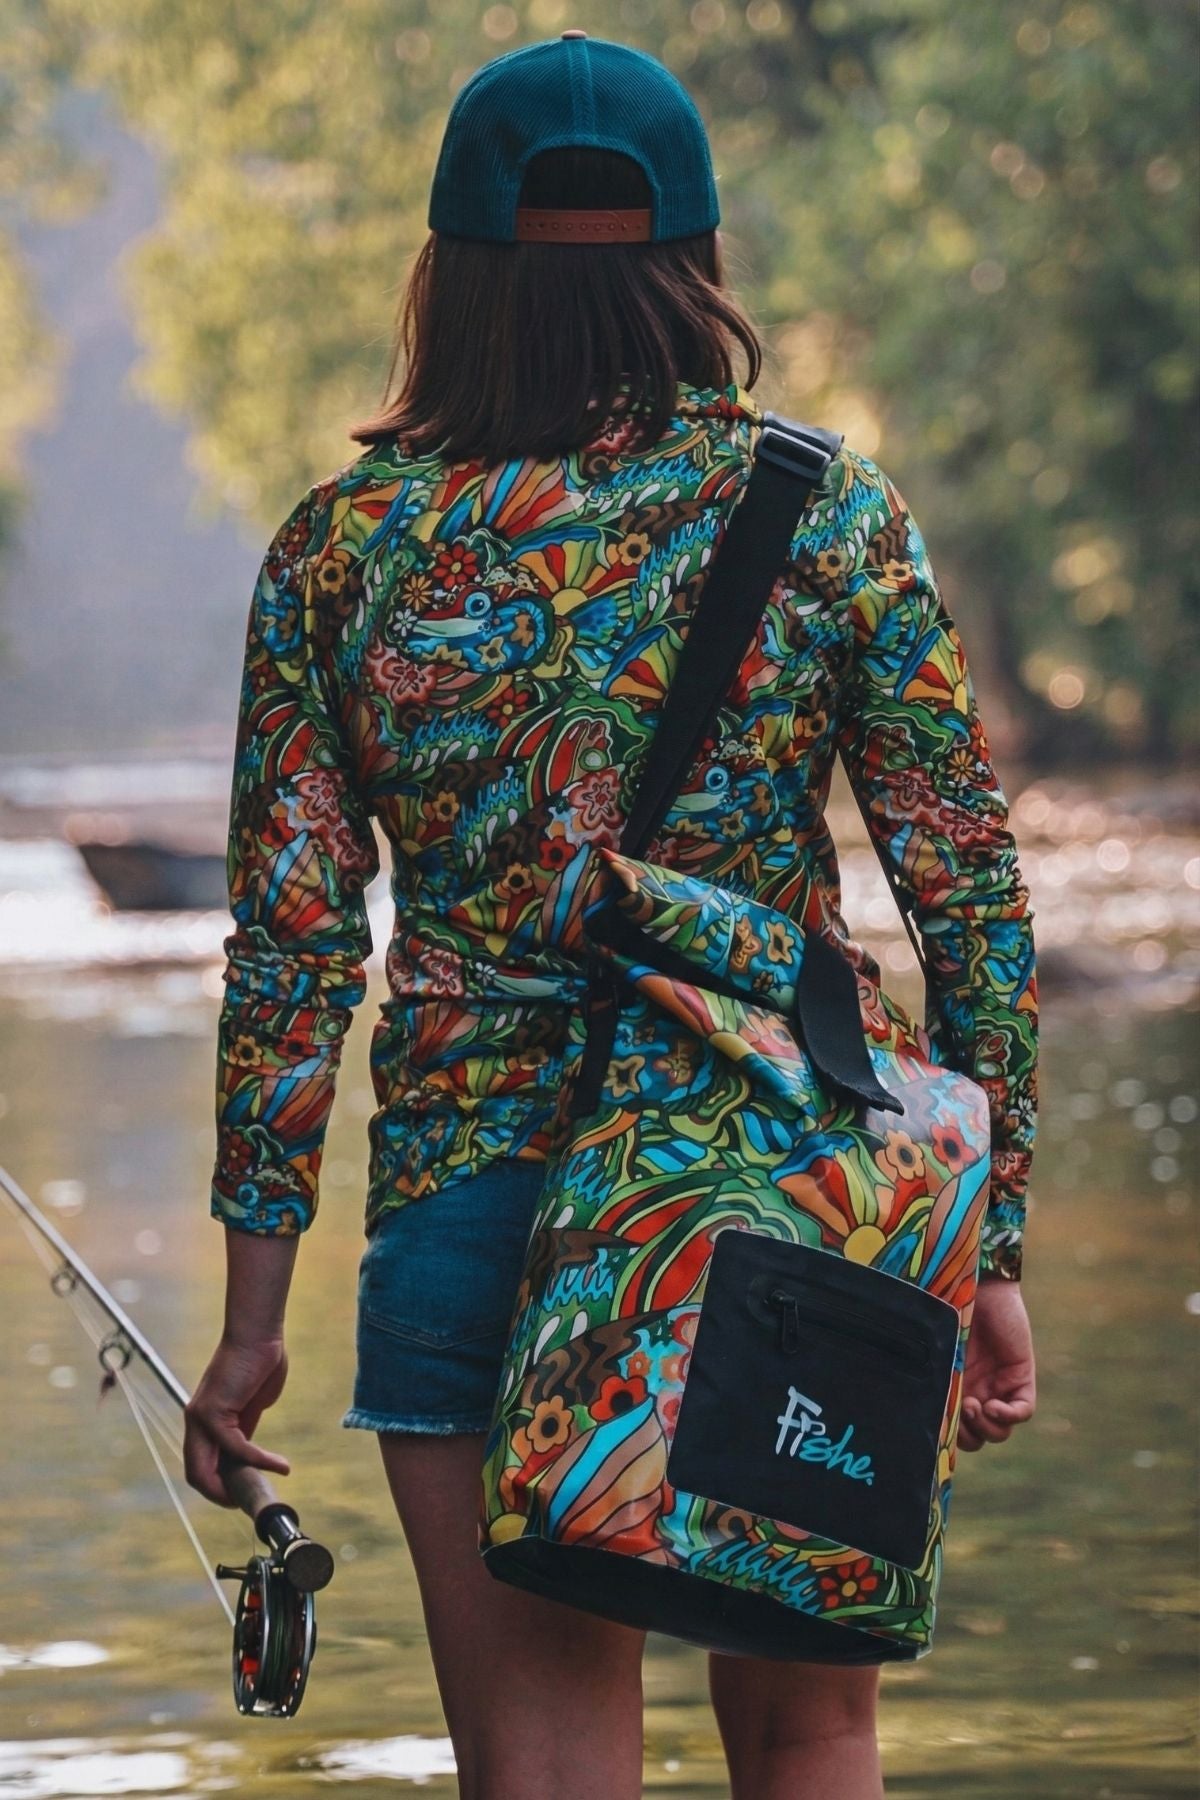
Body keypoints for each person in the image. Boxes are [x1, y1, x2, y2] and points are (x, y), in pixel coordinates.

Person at [183, 33, 1038, 1800]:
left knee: (546, 1761)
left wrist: (251, 1317)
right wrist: (993, 1238)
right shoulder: (826, 513)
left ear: (451, 274)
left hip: (470, 1210)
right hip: (794, 1202)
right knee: (810, 1728)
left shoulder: (345, 550)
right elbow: (966, 882)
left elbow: (289, 953)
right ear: (695, 262)